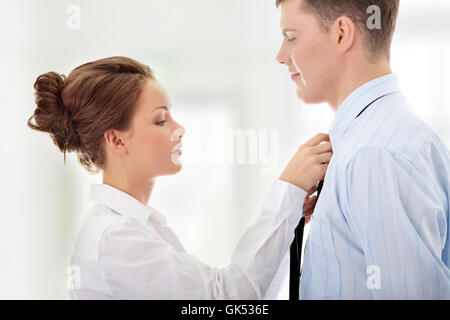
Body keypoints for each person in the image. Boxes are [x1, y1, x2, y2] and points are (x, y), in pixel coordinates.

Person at [27, 56, 332, 299]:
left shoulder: (130, 228)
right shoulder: (115, 239)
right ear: (117, 141)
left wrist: (289, 214)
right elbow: (228, 299)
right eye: (160, 119)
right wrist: (288, 189)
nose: (179, 128)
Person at [275, 0, 450, 299]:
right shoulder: (383, 138)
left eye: (291, 37)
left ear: (342, 33)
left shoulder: (374, 155)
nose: (281, 56)